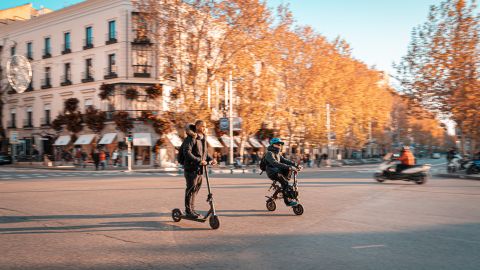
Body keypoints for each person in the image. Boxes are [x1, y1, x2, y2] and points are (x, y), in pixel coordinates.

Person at [183, 120, 217, 218]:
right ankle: (188, 211)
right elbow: (187, 152)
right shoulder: (191, 138)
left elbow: (205, 154)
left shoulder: (202, 139)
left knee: (195, 190)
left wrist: (211, 159)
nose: (204, 128)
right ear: (197, 126)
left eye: (205, 127)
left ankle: (192, 209)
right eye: (203, 126)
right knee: (190, 189)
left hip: (199, 170)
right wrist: (199, 161)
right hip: (191, 169)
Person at [264, 138, 300, 207]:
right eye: (278, 144)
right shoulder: (269, 153)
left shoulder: (277, 154)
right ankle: (287, 202)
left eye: (280, 144)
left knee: (286, 183)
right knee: (285, 183)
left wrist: (296, 165)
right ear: (273, 145)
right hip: (272, 172)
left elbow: (285, 161)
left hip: (277, 171)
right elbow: (275, 163)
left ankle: (284, 190)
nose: (279, 145)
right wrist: (289, 167)